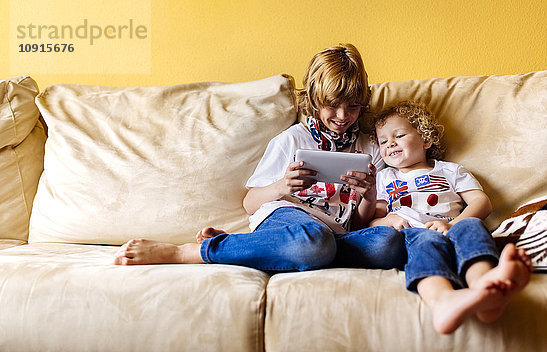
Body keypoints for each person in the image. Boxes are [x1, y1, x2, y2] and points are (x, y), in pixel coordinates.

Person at [114, 43, 403, 271]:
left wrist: (369, 193)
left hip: (336, 234)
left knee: (388, 244)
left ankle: (266, 248)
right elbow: (250, 203)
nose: (342, 116)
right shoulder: (292, 139)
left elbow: (360, 223)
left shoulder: (370, 149)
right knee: (314, 240)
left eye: (352, 106)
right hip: (287, 218)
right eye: (333, 105)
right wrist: (283, 186)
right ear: (315, 99)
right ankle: (192, 252)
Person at [370, 101, 533, 334]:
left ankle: (485, 286)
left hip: (452, 227)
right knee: (425, 242)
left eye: (399, 135)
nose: (390, 144)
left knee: (472, 225)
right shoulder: (385, 177)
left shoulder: (450, 170)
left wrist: (452, 224)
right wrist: (389, 220)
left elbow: (481, 202)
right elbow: (373, 220)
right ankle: (442, 301)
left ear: (426, 139)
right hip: (415, 234)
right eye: (383, 141)